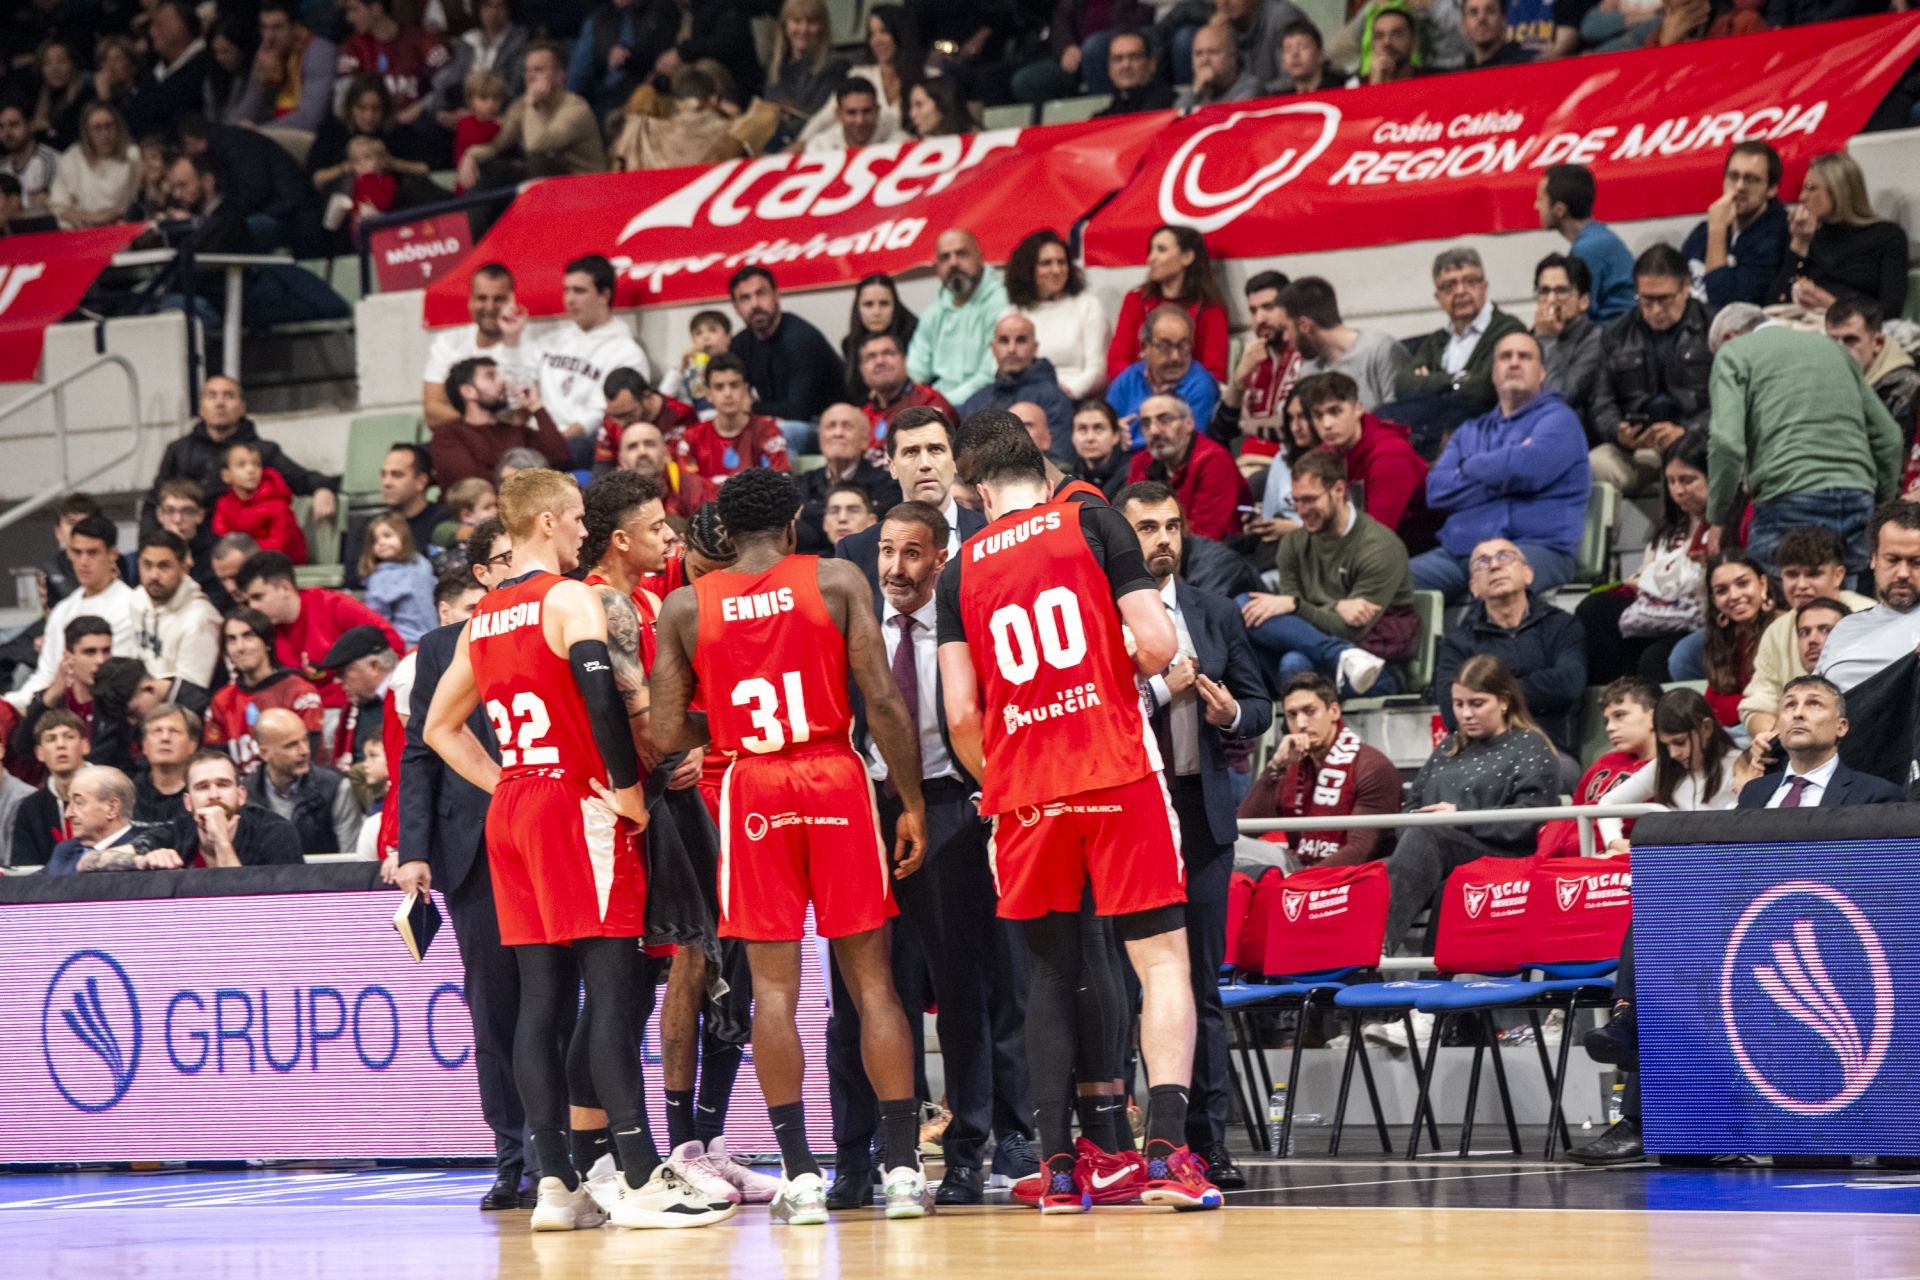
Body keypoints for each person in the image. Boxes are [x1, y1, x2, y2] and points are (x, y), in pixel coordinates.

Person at [423, 470, 737, 1231]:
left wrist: (504, 785)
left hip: (519, 808)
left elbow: (437, 729)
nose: (578, 533)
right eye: (573, 521)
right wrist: (629, 790)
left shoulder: (483, 617)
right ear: (556, 522)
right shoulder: (568, 599)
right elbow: (601, 699)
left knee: (541, 998)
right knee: (612, 990)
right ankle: (636, 1174)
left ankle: (557, 1185)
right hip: (577, 802)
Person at [935, 428, 1223, 1213]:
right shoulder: (1093, 520)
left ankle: (1059, 1171)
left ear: (979, 493)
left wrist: (1006, 774)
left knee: (1050, 976)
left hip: (1025, 789)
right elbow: (1163, 644)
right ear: (1041, 472)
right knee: (1161, 963)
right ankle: (1164, 1153)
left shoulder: (959, 568)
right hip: (1115, 767)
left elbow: (961, 712)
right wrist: (1111, 654)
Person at [645, 469, 932, 1223]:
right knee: (872, 982)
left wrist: (734, 724)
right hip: (834, 776)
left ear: (724, 533)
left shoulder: (683, 605)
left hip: (754, 788)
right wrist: (908, 803)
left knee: (773, 992)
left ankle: (802, 1176)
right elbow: (883, 700)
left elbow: (666, 731)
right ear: (795, 521)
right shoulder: (836, 580)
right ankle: (902, 1168)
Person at [819, 499, 1032, 1206]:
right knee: (864, 997)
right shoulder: (852, 627)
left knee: (964, 993)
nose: (895, 568)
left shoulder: (964, 628)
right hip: (864, 810)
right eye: (886, 552)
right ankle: (863, 1155)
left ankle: (969, 1152)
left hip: (950, 808)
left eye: (912, 554)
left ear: (940, 559)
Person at [1122, 481, 1273, 1183]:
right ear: (1123, 538)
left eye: (1171, 527)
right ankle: (1133, 1144)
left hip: (1203, 814)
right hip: (1130, 813)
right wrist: (1162, 689)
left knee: (1201, 987)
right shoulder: (1102, 618)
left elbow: (1258, 704)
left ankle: (1209, 1145)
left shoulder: (1213, 613)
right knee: (1128, 989)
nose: (1162, 540)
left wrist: (1226, 716)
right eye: (1147, 527)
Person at [395, 520, 541, 1209]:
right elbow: (419, 755)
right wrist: (414, 850)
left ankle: (566, 1153)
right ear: (482, 573)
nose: (521, 569)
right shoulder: (439, 649)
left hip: (549, 835)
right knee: (495, 1010)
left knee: (557, 1002)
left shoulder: (557, 620)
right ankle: (512, 1156)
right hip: (474, 850)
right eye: (507, 560)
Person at [1706, 304, 1903, 575]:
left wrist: (1718, 518)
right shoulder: (1833, 349)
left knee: (1782, 609)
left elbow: (1726, 442)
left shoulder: (1733, 353)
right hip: (1857, 495)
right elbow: (1890, 437)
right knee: (1857, 610)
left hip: (1787, 497)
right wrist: (1881, 503)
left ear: (1728, 338)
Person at [1381, 655, 1561, 950]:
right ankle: (1355, 972)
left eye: (1477, 703)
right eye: (1459, 704)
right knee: (1370, 879)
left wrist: (1460, 817)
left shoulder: (1531, 745)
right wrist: (1419, 827)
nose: (1466, 714)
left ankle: (1379, 947)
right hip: (1433, 849)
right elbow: (1410, 807)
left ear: (1504, 701)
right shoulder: (1449, 746)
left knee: (1427, 836)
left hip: (1503, 854)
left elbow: (1530, 818)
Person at [1412, 332, 1590, 601]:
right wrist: (1509, 471)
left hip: (1535, 548)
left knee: (1497, 581)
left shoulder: (1560, 420)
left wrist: (1469, 465)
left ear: (1541, 373)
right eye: (1506, 357)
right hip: (1460, 551)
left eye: (1525, 356)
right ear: (1494, 373)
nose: (1514, 363)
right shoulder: (1470, 430)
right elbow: (1437, 490)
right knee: (1389, 584)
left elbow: (1529, 469)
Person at [1240, 448, 1416, 694]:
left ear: (1339, 490)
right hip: (1323, 652)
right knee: (1242, 606)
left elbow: (1350, 628)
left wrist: (1296, 604)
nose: (1301, 510)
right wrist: (1330, 607)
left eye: (1310, 500)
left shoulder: (1380, 547)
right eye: (1295, 501)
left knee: (1294, 662)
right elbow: (1293, 623)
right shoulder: (1294, 543)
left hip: (1375, 668)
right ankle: (1343, 655)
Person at [1433, 539, 1587, 758]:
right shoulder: (1458, 641)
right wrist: (1533, 690)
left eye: (1505, 557)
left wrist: (1488, 695)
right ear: (1474, 587)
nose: (1495, 566)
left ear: (1528, 574)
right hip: (1483, 752)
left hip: (1550, 748)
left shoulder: (1561, 625)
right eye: (1482, 563)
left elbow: (1568, 684)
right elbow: (1452, 711)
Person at [1576, 434, 1710, 685]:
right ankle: (1611, 704)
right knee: (1594, 609)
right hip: (1659, 614)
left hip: (1699, 618)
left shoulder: (1728, 523)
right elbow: (1647, 571)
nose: (1679, 490)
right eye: (1671, 482)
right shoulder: (1670, 525)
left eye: (1688, 480)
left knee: (1654, 657)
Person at [1238, 671, 1402, 866]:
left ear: (1334, 711)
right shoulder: (1291, 763)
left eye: (1309, 711)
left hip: (1355, 877)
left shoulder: (1373, 767)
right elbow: (1244, 828)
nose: (1301, 724)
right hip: (1299, 864)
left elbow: (1359, 850)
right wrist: (1275, 767)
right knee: (1229, 844)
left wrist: (1299, 882)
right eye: (1292, 715)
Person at [1587, 244, 1713, 495]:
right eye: (1646, 300)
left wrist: (1687, 432)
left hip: (1702, 444)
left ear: (1686, 286)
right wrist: (1619, 433)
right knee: (1593, 466)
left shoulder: (1712, 330)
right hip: (1639, 450)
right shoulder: (1614, 335)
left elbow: (1731, 403)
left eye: (1664, 299)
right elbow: (1601, 402)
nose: (1655, 310)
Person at [1384, 248, 1527, 448]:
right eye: (1449, 286)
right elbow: (1403, 384)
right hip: (1437, 433)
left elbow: (1485, 389)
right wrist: (1457, 379)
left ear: (1484, 287)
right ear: (1438, 298)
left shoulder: (1508, 330)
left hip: (1487, 432)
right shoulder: (1436, 341)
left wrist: (1431, 382)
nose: (1460, 291)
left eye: (1470, 282)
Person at [1738, 525, 1873, 737]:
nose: (1801, 585)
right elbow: (1758, 704)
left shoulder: (1869, 616)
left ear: (1838, 575)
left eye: (1813, 574)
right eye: (1792, 575)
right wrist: (1771, 738)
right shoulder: (1777, 630)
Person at [146, 376, 340, 522]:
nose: (220, 403)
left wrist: (323, 489)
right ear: (201, 408)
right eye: (211, 396)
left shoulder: (263, 452)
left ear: (242, 407)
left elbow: (302, 479)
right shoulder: (178, 451)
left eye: (228, 396)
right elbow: (155, 501)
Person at [233, 551, 405, 712]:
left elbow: (392, 643)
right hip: (300, 715)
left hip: (348, 708)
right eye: (248, 601)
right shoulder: (264, 631)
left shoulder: (335, 606)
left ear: (285, 588)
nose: (253, 607)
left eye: (258, 597)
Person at [837, 407, 984, 592]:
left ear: (955, 462)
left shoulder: (993, 534)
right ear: (892, 467)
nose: (925, 464)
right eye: (911, 452)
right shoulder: (855, 551)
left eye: (935, 449)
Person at [8, 516, 137, 713]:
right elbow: (46, 675)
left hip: (108, 709)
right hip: (59, 708)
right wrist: (11, 705)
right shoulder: (63, 610)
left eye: (92, 553)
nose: (83, 562)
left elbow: (114, 676)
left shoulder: (130, 605)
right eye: (76, 552)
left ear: (112, 554)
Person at [536, 254, 650, 469]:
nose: (569, 299)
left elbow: (600, 416)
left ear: (604, 295)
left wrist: (554, 444)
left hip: (578, 446)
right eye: (566, 290)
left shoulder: (626, 352)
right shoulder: (552, 341)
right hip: (539, 439)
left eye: (579, 291)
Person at [1595, 687, 1740, 851]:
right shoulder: (1662, 766)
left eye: (1679, 742)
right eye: (1665, 745)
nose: (1673, 754)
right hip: (1672, 865)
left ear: (1706, 728)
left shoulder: (1738, 764)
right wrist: (1614, 841)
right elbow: (1609, 803)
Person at [1767, 151, 1909, 318]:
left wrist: (1832, 305)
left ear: (1838, 190)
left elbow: (1891, 311)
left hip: (1855, 334)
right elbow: (1775, 306)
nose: (1802, 197)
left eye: (1811, 188)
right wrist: (1799, 244)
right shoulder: (1806, 237)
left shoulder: (1887, 236)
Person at [727, 265, 847, 452]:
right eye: (745, 298)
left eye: (761, 293)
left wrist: (752, 407)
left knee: (779, 433)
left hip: (827, 425)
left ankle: (778, 482)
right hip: (783, 420)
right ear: (736, 307)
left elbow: (798, 411)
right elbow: (733, 393)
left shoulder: (800, 339)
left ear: (776, 296)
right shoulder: (741, 343)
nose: (755, 304)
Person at [1535, 676, 1658, 857]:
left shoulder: (1669, 769)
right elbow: (1576, 813)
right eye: (1606, 721)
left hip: (1615, 858)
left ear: (1654, 716)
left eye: (1619, 716)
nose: (1610, 728)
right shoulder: (1605, 761)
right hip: (1562, 853)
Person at [1740, 675, 1905, 808]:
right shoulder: (1753, 792)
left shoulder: (1874, 796)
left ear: (1841, 727)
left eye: (1814, 704)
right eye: (1790, 704)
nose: (1798, 713)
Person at [1301, 372, 1428, 535]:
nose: (1327, 424)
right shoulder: (1325, 454)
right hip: (1354, 540)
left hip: (1408, 545)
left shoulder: (1390, 455)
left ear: (1358, 409)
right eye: (1318, 415)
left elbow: (1378, 535)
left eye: (1335, 411)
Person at [423, 263, 544, 434]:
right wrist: (490, 419)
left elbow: (519, 418)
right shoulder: (448, 342)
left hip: (510, 446)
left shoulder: (529, 349)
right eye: (482, 298)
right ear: (470, 302)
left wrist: (467, 415)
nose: (489, 307)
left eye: (499, 299)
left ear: (513, 301)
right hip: (457, 442)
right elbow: (433, 414)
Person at [1107, 225, 1229, 386]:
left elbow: (1214, 373)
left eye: (1161, 250)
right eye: (1151, 250)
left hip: (1187, 398)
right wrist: (1144, 385)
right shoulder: (1135, 300)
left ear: (1187, 257)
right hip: (1136, 391)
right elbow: (1116, 361)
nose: (1151, 258)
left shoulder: (1210, 309)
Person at [203, 609, 325, 771]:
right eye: (231, 640)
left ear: (267, 642)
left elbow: (309, 759)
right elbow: (215, 763)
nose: (240, 647)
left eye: (248, 636)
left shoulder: (299, 691)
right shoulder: (222, 700)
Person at [1818, 502, 1920, 691]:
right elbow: (1814, 696)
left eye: (1916, 562)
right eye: (1893, 560)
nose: (1903, 573)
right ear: (1873, 559)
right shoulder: (1845, 627)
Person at [1001, 229, 1109, 400]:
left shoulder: (1088, 305)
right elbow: (999, 367)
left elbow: (1097, 370)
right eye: (1046, 263)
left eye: (1062, 262)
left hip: (1075, 399)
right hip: (1023, 399)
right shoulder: (1013, 312)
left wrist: (1063, 394)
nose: (1056, 270)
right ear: (1028, 269)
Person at [1680, 140, 1788, 311]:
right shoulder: (1701, 233)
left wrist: (1717, 231)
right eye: (1733, 176)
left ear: (1771, 188)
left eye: (1751, 179)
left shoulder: (1776, 238)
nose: (1739, 187)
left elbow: (1726, 306)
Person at [1275, 277, 1411, 411]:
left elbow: (1401, 416)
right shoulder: (1309, 371)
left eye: (1285, 329)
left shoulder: (1381, 350)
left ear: (1304, 325)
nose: (1285, 338)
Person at [1125, 394, 1248, 541]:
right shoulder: (1141, 461)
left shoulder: (1214, 461)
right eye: (1146, 424)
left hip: (1214, 555)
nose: (1154, 431)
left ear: (1189, 423)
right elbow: (1131, 522)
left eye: (1165, 420)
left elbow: (1206, 536)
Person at [435, 355, 572, 487]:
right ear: (468, 391)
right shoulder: (448, 435)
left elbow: (559, 457)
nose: (502, 382)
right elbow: (468, 480)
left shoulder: (515, 431)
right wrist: (513, 476)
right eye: (490, 376)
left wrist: (536, 407)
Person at [907, 229, 1009, 407]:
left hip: (987, 400)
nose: (953, 263)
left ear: (980, 257)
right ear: (937, 268)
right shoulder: (933, 313)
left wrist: (939, 404)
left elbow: (989, 375)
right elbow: (914, 370)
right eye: (945, 257)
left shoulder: (1001, 304)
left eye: (961, 254)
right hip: (938, 403)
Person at [244, 706, 363, 854]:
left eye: (305, 739)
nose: (304, 751)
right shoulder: (245, 797)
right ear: (264, 753)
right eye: (291, 745)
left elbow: (351, 862)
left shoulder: (336, 788)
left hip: (326, 876)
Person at [166, 749, 306, 867]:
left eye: (223, 784)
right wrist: (145, 859)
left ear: (241, 796)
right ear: (188, 802)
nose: (214, 795)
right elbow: (145, 844)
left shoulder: (277, 834)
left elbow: (241, 899)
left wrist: (221, 841)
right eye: (202, 787)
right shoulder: (176, 833)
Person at [1827, 300, 1919, 474]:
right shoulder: (1826, 382)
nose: (1839, 349)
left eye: (1850, 340)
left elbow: (1898, 461)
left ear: (1877, 342)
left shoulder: (1907, 389)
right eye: (1832, 340)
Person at [1108, 308, 1223, 446]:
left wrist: (1124, 441)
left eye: (1183, 346)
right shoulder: (1129, 378)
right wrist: (1112, 432)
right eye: (1165, 346)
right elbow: (1104, 423)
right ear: (1145, 347)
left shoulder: (1201, 386)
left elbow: (1185, 445)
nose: (1176, 356)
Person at [128, 529, 221, 697]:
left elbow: (192, 694)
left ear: (184, 568)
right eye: (147, 565)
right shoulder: (137, 599)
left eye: (164, 566)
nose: (154, 575)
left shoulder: (200, 618)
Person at [1537, 163, 1635, 322]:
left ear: (1560, 209)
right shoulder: (1598, 238)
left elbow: (1578, 315)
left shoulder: (1588, 249)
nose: (1536, 206)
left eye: (1541, 199)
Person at [342, 445, 448, 590]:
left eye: (397, 475)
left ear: (421, 481)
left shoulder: (444, 521)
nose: (386, 483)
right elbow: (353, 577)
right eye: (383, 474)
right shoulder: (371, 525)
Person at [798, 404, 900, 551]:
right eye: (831, 426)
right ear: (820, 438)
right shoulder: (802, 482)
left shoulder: (888, 483)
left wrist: (807, 513)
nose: (838, 433)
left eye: (847, 427)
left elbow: (880, 529)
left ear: (865, 439)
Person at [961, 314, 1074, 445]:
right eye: (1004, 340)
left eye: (1021, 340)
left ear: (1035, 348)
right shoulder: (974, 403)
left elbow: (1061, 460)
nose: (1011, 349)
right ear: (993, 348)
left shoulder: (1055, 400)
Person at [1216, 271, 1299, 451]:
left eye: (1268, 307)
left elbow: (1301, 426)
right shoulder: (1253, 360)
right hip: (1248, 461)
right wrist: (1238, 381)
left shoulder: (1307, 356)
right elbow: (1221, 432)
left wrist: (1250, 426)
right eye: (1253, 311)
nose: (1259, 319)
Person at [677, 355, 790, 486]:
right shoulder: (692, 437)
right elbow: (688, 492)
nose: (728, 393)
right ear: (708, 393)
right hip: (707, 506)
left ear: (745, 389)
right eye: (719, 387)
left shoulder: (769, 432)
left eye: (734, 385)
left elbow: (780, 487)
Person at [232, 1, 338, 134]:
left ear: (295, 28)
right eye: (264, 28)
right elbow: (245, 112)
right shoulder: (266, 52)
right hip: (272, 136)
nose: (269, 37)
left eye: (277, 28)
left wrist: (260, 133)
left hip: (312, 141)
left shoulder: (319, 51)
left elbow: (310, 119)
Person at [41, 766, 162, 876]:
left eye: (78, 803)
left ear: (111, 809)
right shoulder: (65, 851)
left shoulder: (144, 852)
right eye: (69, 803)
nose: (68, 814)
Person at [10, 710, 89, 867]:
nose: (61, 745)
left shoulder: (110, 791)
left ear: (85, 745)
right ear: (40, 753)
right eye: (51, 739)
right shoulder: (30, 807)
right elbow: (24, 867)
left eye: (69, 737)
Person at [1531, 254, 1602, 428]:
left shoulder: (1595, 340)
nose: (1551, 300)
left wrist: (1547, 341)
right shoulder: (1530, 337)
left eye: (1561, 291)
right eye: (1544, 291)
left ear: (1583, 301)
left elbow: (1559, 398)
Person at [124, 0, 213, 137]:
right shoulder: (155, 70)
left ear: (181, 27)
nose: (152, 32)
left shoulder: (204, 68)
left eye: (159, 25)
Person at [212, 440, 308, 564]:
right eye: (241, 465)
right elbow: (221, 536)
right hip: (242, 562)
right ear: (226, 475)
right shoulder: (224, 504)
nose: (251, 470)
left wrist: (245, 554)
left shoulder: (277, 504)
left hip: (282, 563)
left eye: (256, 464)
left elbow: (279, 543)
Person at [49, 102, 139, 230]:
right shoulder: (72, 157)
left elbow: (135, 203)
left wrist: (110, 215)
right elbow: (58, 206)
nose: (105, 134)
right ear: (87, 132)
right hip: (82, 228)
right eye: (97, 128)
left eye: (109, 126)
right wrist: (92, 217)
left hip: (120, 227)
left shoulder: (132, 155)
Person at [359, 513, 439, 645]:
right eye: (375, 540)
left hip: (433, 637)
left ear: (404, 536)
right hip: (406, 643)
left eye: (387, 536)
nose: (381, 543)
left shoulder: (420, 563)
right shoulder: (379, 577)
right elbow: (378, 620)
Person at [840, 275, 918, 402]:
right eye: (868, 305)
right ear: (858, 309)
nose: (876, 312)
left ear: (895, 306)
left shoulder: (915, 335)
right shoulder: (849, 344)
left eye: (884, 304)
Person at [134, 702, 201, 824]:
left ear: (193, 745)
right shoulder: (129, 793)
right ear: (144, 745)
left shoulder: (203, 794)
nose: (165, 738)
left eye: (174, 731)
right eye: (157, 731)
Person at [1178, 19, 1261, 110]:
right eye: (1198, 54)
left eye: (1213, 52)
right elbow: (1175, 118)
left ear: (1232, 56)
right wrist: (1195, 92)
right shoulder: (1194, 93)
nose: (1205, 60)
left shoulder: (1250, 90)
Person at [1091, 31, 1175, 117]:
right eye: (1118, 59)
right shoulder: (1103, 119)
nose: (1126, 65)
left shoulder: (1172, 107)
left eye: (1134, 57)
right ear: (1110, 68)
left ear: (1151, 64)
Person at [804, 79, 898, 153]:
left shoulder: (899, 144)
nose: (860, 121)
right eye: (851, 113)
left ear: (877, 111)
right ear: (839, 114)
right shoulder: (820, 148)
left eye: (867, 111)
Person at [1068, 400, 1132, 502]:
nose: (1090, 438)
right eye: (1082, 429)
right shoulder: (1067, 479)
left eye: (1098, 429)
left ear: (1115, 436)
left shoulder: (1132, 474)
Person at [1273, 19, 1349, 93]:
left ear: (1321, 55)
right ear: (1283, 63)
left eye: (1303, 47)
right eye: (1288, 49)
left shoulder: (1343, 89)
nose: (1295, 54)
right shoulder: (1281, 100)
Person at [1458, 0, 1533, 65]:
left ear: (1504, 20)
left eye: (1490, 11)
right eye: (1473, 12)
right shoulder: (1456, 75)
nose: (1481, 18)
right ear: (1463, 24)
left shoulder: (1527, 63)